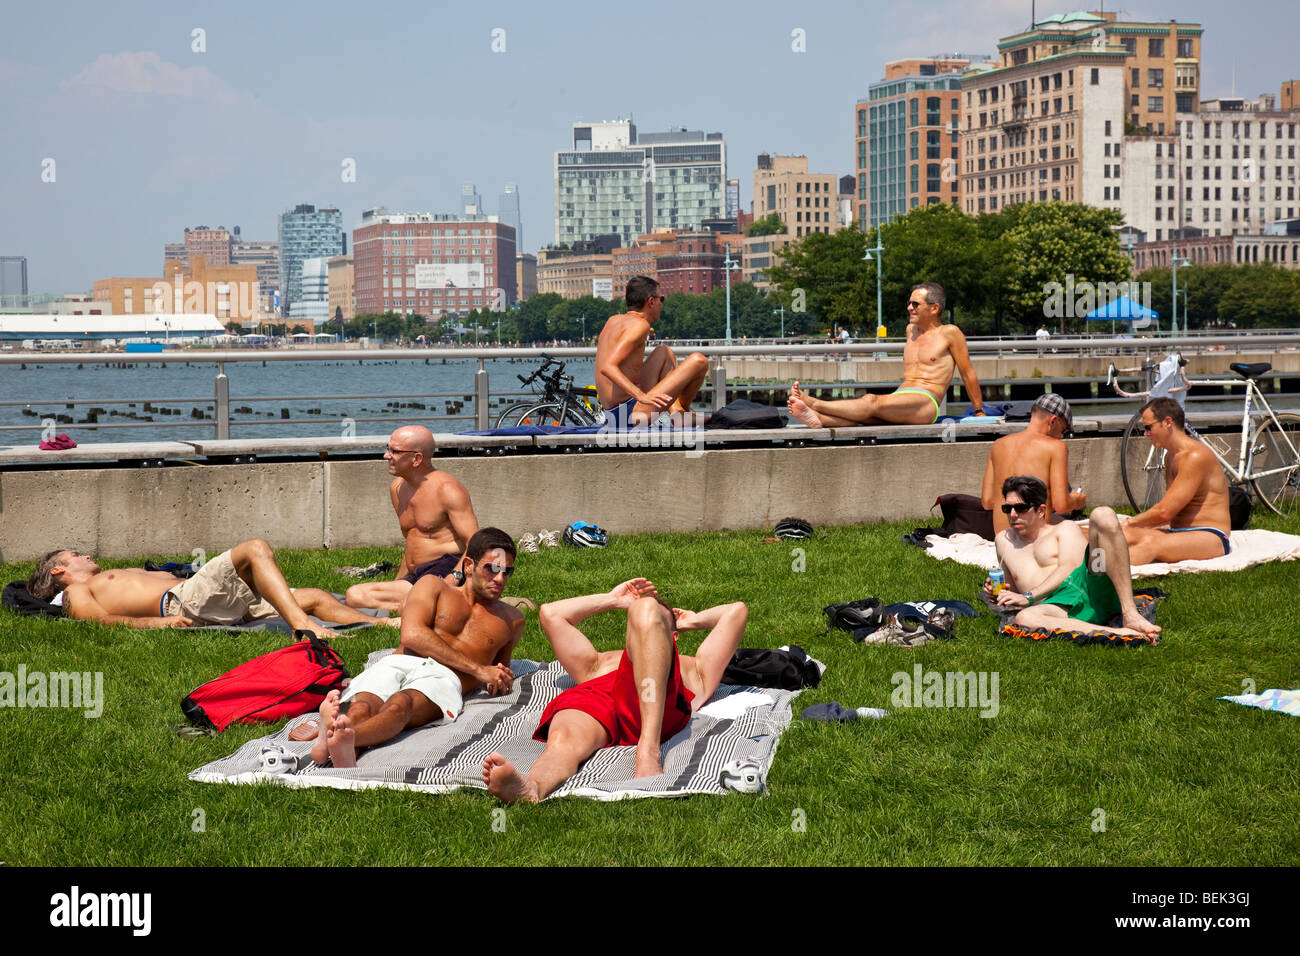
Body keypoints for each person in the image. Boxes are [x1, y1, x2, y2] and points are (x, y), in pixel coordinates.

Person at [481, 579, 748, 803]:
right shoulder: (599, 663)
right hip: (600, 701)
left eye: (657, 626)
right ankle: (532, 787)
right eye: (642, 625)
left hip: (659, 706)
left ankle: (648, 750)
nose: (645, 626)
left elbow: (736, 611)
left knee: (646, 606)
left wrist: (691, 621)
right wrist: (611, 600)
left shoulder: (695, 670)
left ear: (673, 637)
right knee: (563, 743)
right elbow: (551, 614)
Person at [313, 528, 524, 768]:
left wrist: (496, 676)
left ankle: (331, 741)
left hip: (443, 678)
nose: (500, 579)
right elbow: (412, 635)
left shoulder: (512, 620)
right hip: (401, 661)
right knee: (362, 707)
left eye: (507, 572)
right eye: (492, 569)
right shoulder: (433, 586)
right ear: (468, 565)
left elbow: (498, 671)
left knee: (400, 705)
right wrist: (479, 669)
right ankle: (343, 744)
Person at [28, 539, 391, 638]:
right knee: (254, 549)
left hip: (203, 596)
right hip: (183, 605)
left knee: (311, 596)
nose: (86, 554)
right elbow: (100, 621)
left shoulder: (110, 575)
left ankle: (380, 625)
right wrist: (157, 625)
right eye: (76, 554)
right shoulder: (76, 592)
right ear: (59, 569)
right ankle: (304, 627)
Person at [987, 475, 1161, 643]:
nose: (1013, 514)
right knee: (1026, 617)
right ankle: (1121, 633)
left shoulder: (1064, 529)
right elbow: (1014, 592)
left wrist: (1029, 596)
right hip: (1057, 607)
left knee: (1102, 514)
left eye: (1021, 508)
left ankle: (1129, 613)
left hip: (1092, 585)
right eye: (1007, 509)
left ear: (1040, 511)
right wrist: (1000, 594)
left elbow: (1069, 567)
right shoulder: (1003, 541)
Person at [787, 282, 985, 427]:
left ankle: (814, 403)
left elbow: (968, 373)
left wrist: (979, 411)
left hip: (926, 401)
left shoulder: (949, 333)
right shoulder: (911, 330)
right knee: (862, 418)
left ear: (934, 308)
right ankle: (818, 419)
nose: (909, 308)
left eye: (915, 304)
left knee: (870, 401)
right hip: (902, 395)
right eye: (909, 303)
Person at [344, 426, 478, 612]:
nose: (386, 455)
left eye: (394, 451)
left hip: (444, 569)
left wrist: (453, 578)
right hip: (416, 576)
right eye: (388, 448)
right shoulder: (397, 488)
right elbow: (412, 540)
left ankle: (440, 600)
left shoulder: (447, 490)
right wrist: (398, 581)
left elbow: (475, 542)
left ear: (417, 459)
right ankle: (429, 605)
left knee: (355, 595)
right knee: (356, 597)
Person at [1121, 397, 1232, 563]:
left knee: (1150, 543)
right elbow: (1170, 509)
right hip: (1180, 532)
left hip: (1210, 535)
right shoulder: (1171, 457)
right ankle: (1081, 560)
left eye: (1148, 427)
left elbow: (1165, 512)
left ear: (1167, 422)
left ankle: (1098, 573)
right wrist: (1128, 528)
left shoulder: (1194, 456)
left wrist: (1131, 522)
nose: (1145, 433)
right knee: (1121, 535)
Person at [595, 275, 709, 429]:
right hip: (627, 415)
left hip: (615, 411)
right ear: (651, 301)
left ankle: (678, 411)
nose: (662, 304)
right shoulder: (640, 325)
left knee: (664, 352)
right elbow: (608, 367)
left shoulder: (613, 320)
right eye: (661, 299)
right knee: (699, 361)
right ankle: (683, 412)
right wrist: (642, 396)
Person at [980, 393, 1086, 535]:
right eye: (1064, 430)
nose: (1061, 436)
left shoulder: (998, 444)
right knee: (1110, 531)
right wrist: (1077, 500)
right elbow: (1062, 506)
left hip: (1003, 541)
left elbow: (987, 502)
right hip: (1035, 541)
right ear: (1053, 421)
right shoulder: (1055, 447)